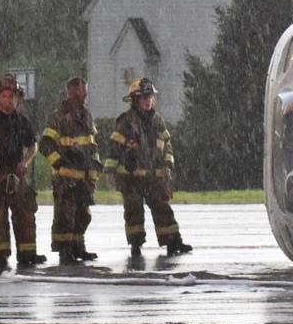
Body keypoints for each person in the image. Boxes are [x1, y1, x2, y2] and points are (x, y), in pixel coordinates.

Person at [103, 78, 192, 256]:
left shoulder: (157, 120)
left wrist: (168, 164)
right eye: (144, 97)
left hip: (154, 176)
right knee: (134, 210)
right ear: (135, 100)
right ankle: (136, 245)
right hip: (131, 178)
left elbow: (167, 145)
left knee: (163, 208)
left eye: (150, 96)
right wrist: (110, 172)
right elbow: (114, 148)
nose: (148, 100)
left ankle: (173, 241)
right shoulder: (126, 121)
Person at [38, 77, 102, 265]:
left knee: (83, 215)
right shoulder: (58, 117)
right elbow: (45, 145)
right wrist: (60, 164)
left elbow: (92, 144)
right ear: (70, 93)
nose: (83, 96)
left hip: (85, 177)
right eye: (79, 92)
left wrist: (96, 165)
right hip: (66, 179)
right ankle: (64, 251)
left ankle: (78, 247)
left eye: (85, 92)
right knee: (65, 215)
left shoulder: (87, 115)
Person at [0, 74, 46, 270]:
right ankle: (1, 256)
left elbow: (33, 145)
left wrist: (25, 161)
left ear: (18, 99)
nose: (9, 100)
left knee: (26, 213)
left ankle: (28, 253)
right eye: (4, 96)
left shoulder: (22, 121)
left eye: (12, 96)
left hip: (17, 174)